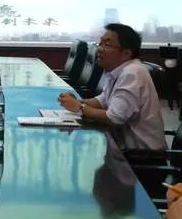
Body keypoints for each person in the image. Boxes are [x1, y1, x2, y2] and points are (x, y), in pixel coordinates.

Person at [58, 23, 165, 151]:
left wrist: (80, 107)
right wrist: (77, 102)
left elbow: (114, 117)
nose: (99, 49)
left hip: (141, 156)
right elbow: (103, 100)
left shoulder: (133, 73)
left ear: (126, 53)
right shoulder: (116, 71)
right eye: (100, 43)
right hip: (121, 148)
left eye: (107, 45)